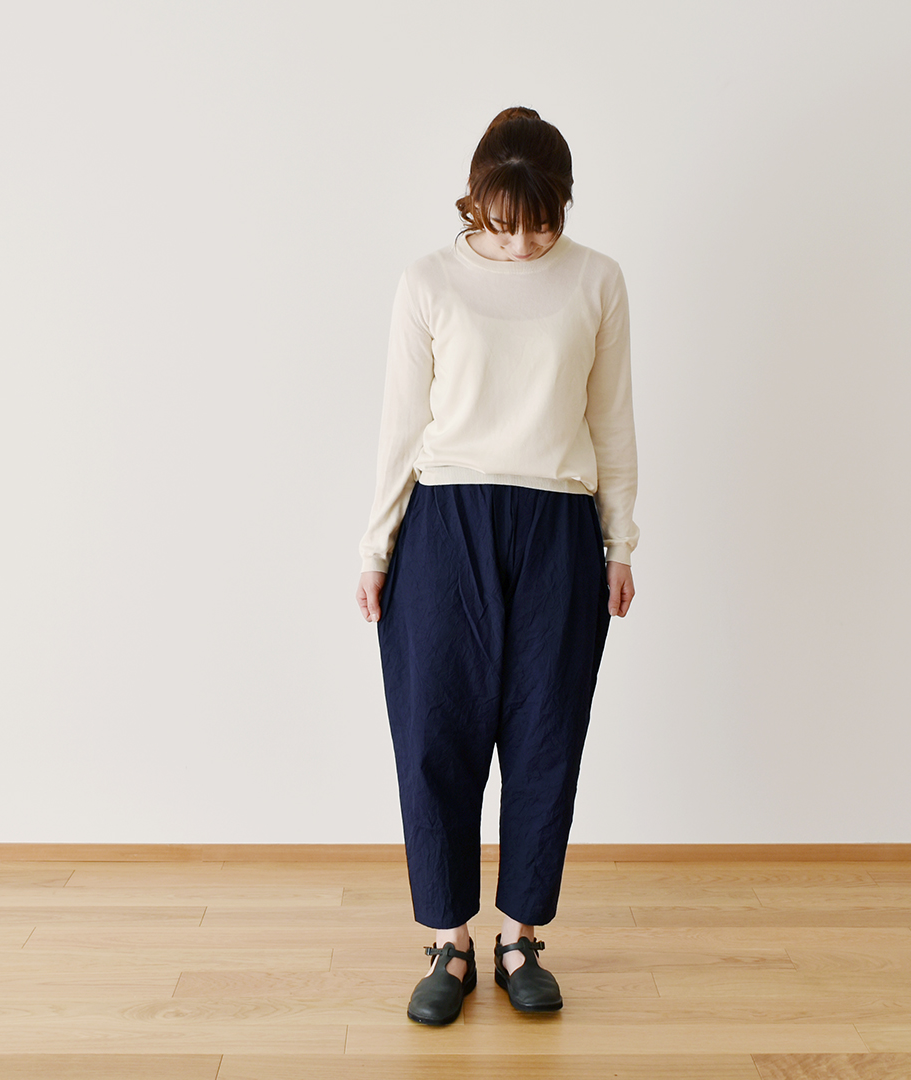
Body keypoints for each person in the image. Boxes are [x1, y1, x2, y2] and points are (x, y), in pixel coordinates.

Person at [355, 105, 639, 1026]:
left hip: (559, 525)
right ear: (475, 200)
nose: (523, 245)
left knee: (546, 736)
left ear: (564, 204)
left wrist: (620, 542)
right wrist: (376, 548)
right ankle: (450, 941)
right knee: (435, 735)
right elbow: (401, 424)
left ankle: (521, 938)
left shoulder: (597, 280)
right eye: (505, 223)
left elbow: (611, 420)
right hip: (445, 522)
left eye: (542, 223)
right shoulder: (428, 281)